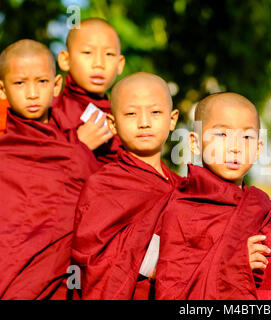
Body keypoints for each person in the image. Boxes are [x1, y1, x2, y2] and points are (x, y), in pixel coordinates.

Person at [155, 92, 271, 300]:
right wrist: (233, 264)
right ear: (194, 143)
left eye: (247, 137)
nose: (235, 147)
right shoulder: (179, 211)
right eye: (221, 135)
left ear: (258, 149)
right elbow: (170, 294)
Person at [0, 39, 99, 299]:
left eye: (41, 82)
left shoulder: (77, 150)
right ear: (2, 90)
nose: (32, 93)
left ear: (56, 85)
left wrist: (78, 148)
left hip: (55, 283)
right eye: (20, 83)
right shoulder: (4, 153)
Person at [71, 72, 181, 299]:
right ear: (113, 123)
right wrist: (158, 261)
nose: (144, 122)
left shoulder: (184, 188)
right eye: (131, 113)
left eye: (155, 112)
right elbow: (94, 259)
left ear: (172, 120)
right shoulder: (104, 184)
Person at [53, 17, 125, 164]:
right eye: (87, 52)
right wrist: (77, 146)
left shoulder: (124, 116)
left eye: (109, 54)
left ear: (120, 64)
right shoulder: (51, 111)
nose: (99, 63)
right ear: (65, 60)